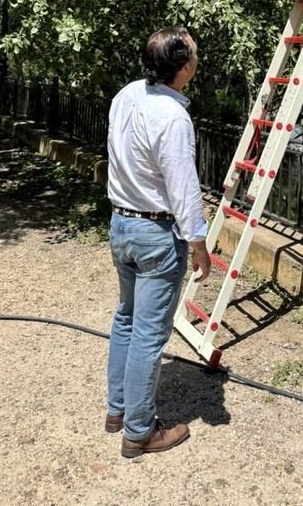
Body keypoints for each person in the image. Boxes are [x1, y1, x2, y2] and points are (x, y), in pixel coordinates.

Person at [105, 25, 211, 458]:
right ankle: (139, 431)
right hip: (155, 234)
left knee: (126, 319)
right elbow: (183, 187)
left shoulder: (126, 95)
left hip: (121, 224)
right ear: (184, 66)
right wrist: (199, 243)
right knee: (149, 334)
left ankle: (116, 411)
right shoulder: (173, 117)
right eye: (195, 52)